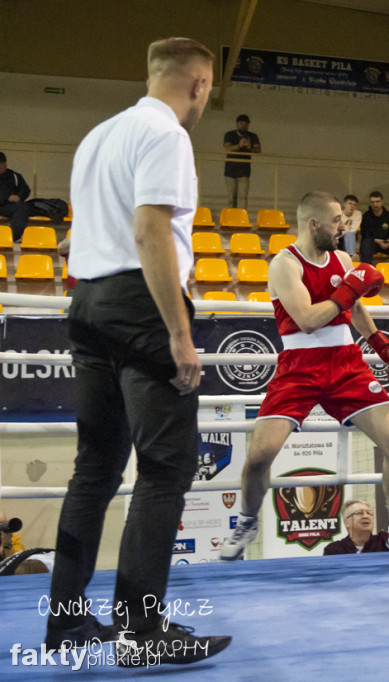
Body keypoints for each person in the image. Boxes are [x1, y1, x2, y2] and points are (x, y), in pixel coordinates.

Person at [47, 37, 231, 665]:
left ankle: (67, 625)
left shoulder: (98, 135)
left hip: (89, 301)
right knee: (164, 470)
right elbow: (150, 229)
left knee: (95, 470)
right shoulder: (167, 135)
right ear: (200, 84)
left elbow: (79, 239)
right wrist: (179, 333)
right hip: (140, 304)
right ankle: (141, 632)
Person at [219, 192, 389, 566]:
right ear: (314, 225)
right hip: (299, 364)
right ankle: (247, 521)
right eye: (335, 221)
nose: (343, 226)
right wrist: (348, 290)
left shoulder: (343, 258)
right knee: (260, 457)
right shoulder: (284, 264)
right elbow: (308, 320)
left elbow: (356, 306)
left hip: (346, 362)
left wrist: (379, 344)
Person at [359, 190, 389, 275]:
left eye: (377, 201)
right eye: (373, 202)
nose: (375, 204)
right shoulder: (366, 217)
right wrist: (377, 241)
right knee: (366, 243)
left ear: (382, 202)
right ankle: (366, 271)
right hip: (374, 243)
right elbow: (365, 234)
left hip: (387, 243)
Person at [223, 113, 261, 210]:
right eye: (241, 123)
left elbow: (258, 150)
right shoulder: (229, 134)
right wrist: (239, 145)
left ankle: (241, 220)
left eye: (246, 124)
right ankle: (230, 219)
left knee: (243, 198)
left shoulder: (252, 136)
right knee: (231, 199)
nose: (243, 125)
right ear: (237, 124)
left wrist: (249, 148)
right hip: (230, 171)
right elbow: (228, 148)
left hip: (244, 172)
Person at [0, 152, 31, 242]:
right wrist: (6, 197)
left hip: (9, 207)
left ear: (5, 164)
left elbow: (26, 190)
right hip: (5, 202)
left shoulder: (15, 176)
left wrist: (18, 197)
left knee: (22, 206)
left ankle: (13, 237)